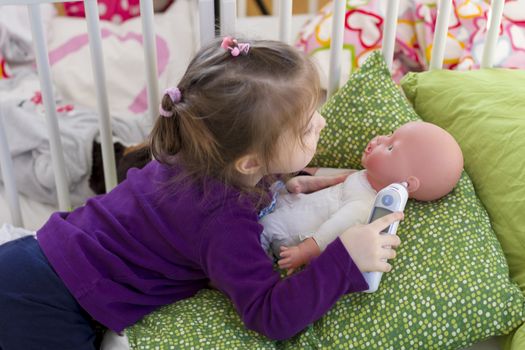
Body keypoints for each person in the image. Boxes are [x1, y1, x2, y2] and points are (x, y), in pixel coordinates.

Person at [0, 37, 403, 349]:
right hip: (46, 301)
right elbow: (269, 314)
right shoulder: (224, 221)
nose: (323, 123)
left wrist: (280, 184)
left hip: (31, 265)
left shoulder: (189, 153)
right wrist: (343, 261)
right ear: (247, 161)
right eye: (307, 126)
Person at [261, 121, 463, 274]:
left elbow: (332, 230)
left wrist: (304, 252)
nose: (379, 140)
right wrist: (304, 180)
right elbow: (332, 180)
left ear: (407, 183)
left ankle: (249, 260)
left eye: (390, 147)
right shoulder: (363, 177)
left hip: (293, 234)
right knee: (272, 192)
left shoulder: (365, 205)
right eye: (390, 135)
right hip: (295, 203)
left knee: (265, 225)